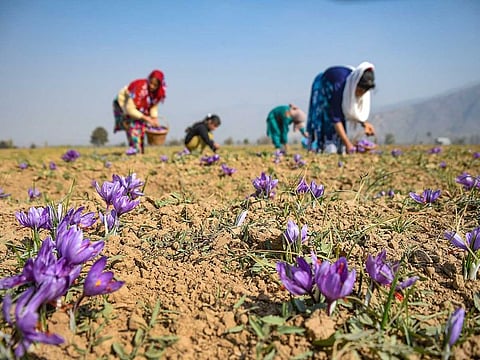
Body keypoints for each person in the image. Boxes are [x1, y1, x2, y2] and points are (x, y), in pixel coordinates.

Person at [306, 62, 376, 154]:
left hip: (337, 86)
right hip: (324, 85)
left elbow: (350, 107)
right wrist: (348, 144)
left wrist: (364, 123)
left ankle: (337, 145)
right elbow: (336, 118)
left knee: (339, 147)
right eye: (359, 90)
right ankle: (323, 145)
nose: (361, 94)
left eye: (364, 91)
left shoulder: (354, 85)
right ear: (355, 84)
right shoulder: (339, 87)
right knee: (326, 117)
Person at [113, 70, 166, 154]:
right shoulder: (140, 88)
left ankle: (139, 150)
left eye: (155, 85)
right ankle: (135, 148)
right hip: (122, 104)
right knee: (133, 124)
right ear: (149, 80)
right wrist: (146, 118)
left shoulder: (157, 93)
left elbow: (153, 106)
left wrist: (154, 118)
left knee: (141, 125)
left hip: (137, 108)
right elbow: (130, 109)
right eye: (151, 83)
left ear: (159, 86)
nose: (152, 86)